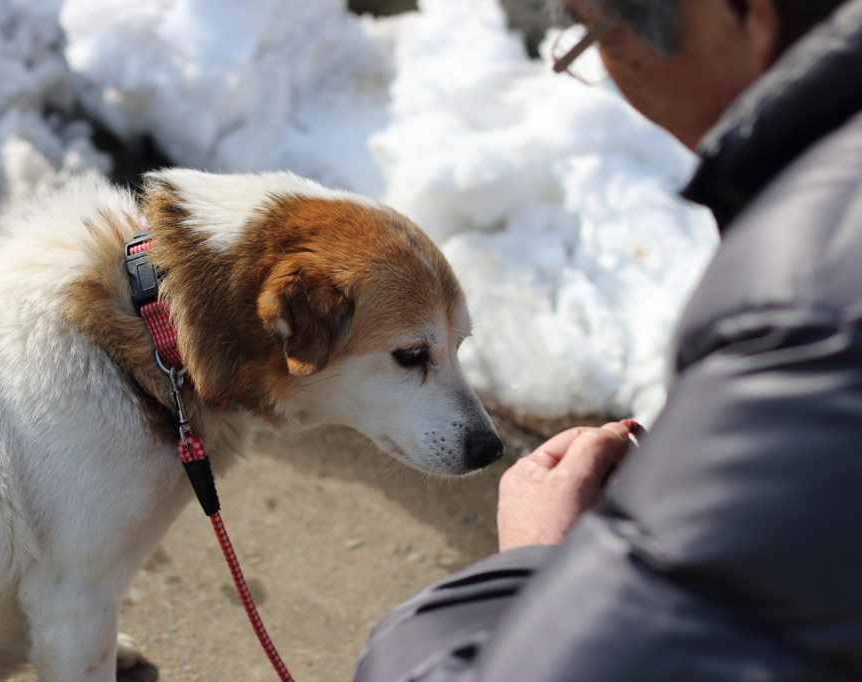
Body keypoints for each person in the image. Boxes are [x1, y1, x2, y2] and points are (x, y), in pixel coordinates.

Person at [354, 0, 862, 679]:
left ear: (746, 16)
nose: (616, 79)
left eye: (594, 33)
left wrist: (530, 566)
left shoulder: (807, 312)